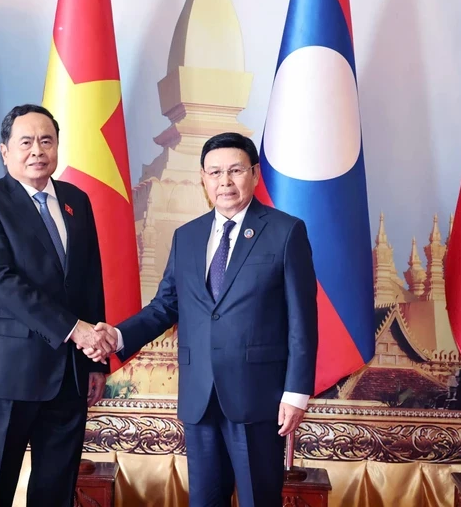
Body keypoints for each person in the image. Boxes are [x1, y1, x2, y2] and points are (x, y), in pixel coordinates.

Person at [86, 132, 318, 506]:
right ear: (203, 180)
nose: (224, 181)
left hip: (259, 397)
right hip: (199, 397)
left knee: (260, 499)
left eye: (235, 170)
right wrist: (116, 334)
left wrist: (296, 393)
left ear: (255, 174)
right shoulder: (187, 237)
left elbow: (302, 320)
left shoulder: (286, 232)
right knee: (205, 500)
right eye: (214, 173)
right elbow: (165, 307)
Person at [0, 104, 116, 506]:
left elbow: (89, 281)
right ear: (4, 151)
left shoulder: (76, 201)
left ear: (57, 147)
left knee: (55, 491)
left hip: (69, 373)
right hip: (9, 372)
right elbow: (2, 282)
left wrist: (96, 362)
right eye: (26, 142)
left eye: (46, 141)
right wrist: (74, 329)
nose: (37, 151)